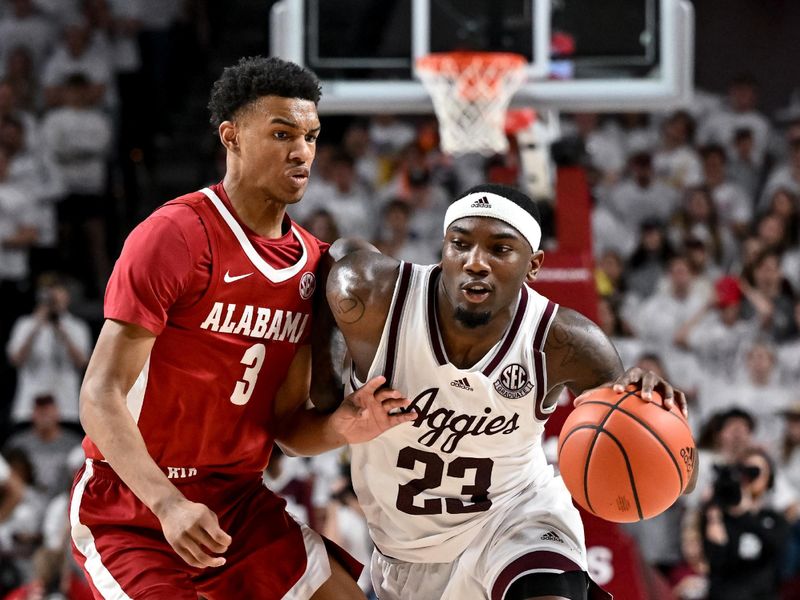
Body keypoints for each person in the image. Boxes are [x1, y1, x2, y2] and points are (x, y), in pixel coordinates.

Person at [71, 56, 416, 600]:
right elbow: (98, 393)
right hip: (134, 504)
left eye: (311, 135)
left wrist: (342, 428)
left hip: (236, 499)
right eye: (282, 134)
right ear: (231, 137)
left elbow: (285, 426)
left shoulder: (313, 267)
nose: (301, 151)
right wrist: (167, 504)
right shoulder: (175, 236)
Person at [326, 183, 693, 600]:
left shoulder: (566, 341)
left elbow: (683, 474)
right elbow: (339, 254)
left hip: (516, 519)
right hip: (407, 555)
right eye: (460, 244)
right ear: (443, 248)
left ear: (533, 265)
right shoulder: (377, 298)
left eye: (500, 250)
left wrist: (660, 418)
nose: (475, 262)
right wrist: (334, 379)